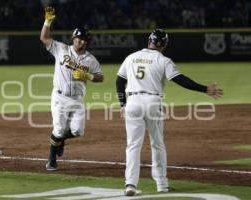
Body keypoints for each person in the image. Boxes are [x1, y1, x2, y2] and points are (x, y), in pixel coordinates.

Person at [116, 28, 223, 196]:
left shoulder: (131, 57)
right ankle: (162, 184)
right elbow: (180, 80)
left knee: (133, 146)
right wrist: (205, 89)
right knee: (157, 144)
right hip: (152, 102)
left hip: (132, 103)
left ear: (149, 41)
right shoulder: (163, 60)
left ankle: (130, 184)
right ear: (164, 44)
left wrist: (122, 104)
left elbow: (119, 81)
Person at [40, 7, 104, 171]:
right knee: (59, 129)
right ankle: (52, 159)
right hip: (60, 97)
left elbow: (100, 77)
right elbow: (44, 37)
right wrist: (48, 21)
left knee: (78, 131)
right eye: (79, 38)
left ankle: (59, 140)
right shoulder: (61, 49)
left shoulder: (90, 59)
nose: (82, 41)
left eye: (85, 40)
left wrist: (87, 76)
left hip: (77, 99)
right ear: (74, 38)